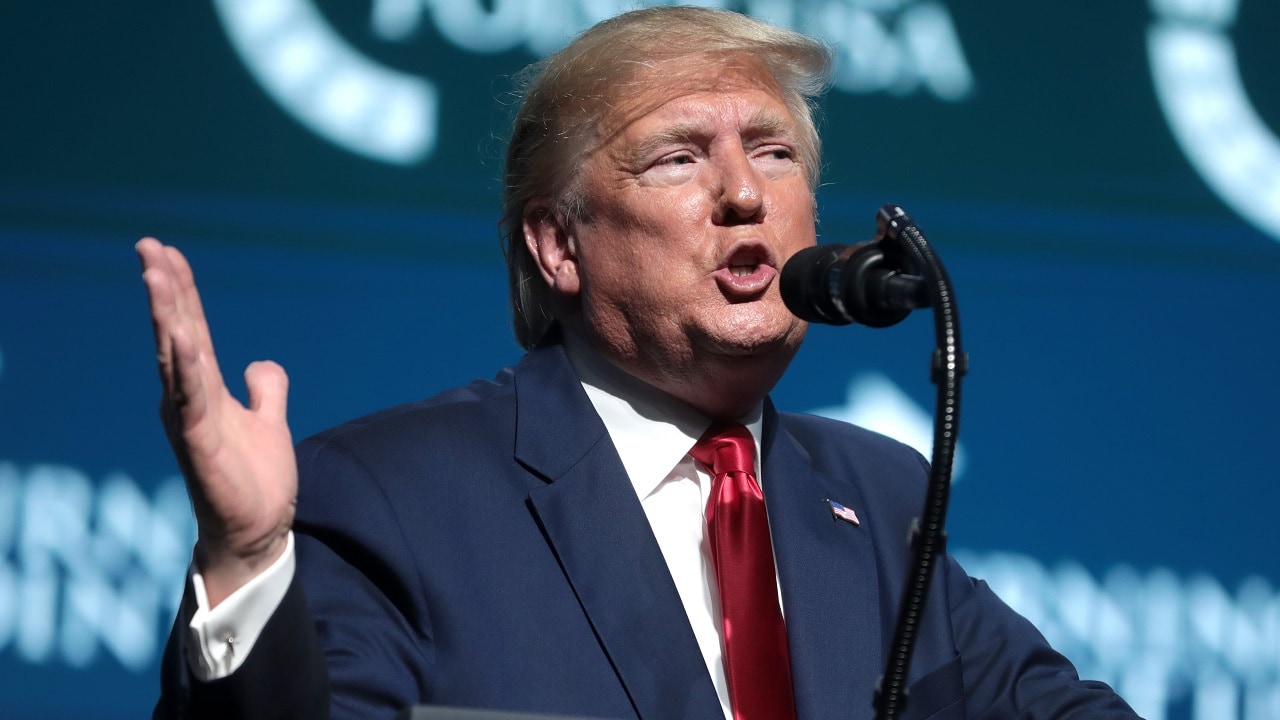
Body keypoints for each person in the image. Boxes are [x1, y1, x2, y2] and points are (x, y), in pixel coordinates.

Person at [140, 7, 1139, 720]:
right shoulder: (390, 496)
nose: (743, 193)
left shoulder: (872, 500)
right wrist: (243, 565)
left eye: (773, 152)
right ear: (557, 246)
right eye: (677, 158)